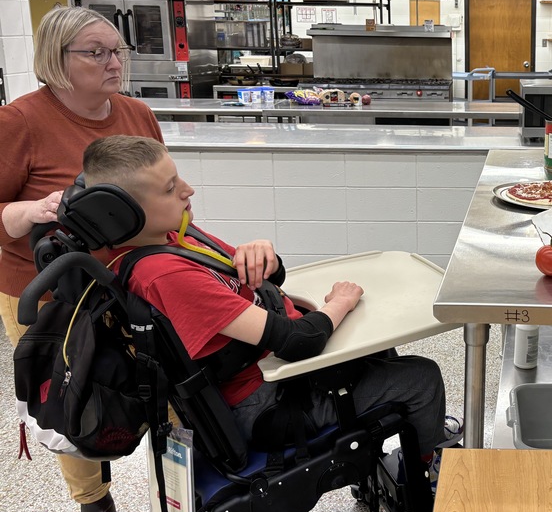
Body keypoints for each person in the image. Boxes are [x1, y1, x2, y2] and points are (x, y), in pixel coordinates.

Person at [81, 135, 451, 484]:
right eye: (169, 188)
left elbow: (264, 281)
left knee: (379, 349)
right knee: (422, 378)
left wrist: (264, 257)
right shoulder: (164, 275)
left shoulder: (175, 237)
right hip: (266, 402)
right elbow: (298, 342)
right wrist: (339, 302)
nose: (188, 190)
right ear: (123, 214)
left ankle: (410, 439)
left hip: (274, 370)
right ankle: (424, 471)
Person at [0, 6, 163, 512]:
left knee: (157, 379)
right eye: (97, 53)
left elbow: (162, 192)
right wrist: (30, 211)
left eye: (118, 50)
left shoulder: (137, 115)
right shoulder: (20, 121)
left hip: (125, 280)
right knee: (71, 393)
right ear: (57, 60)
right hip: (50, 291)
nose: (114, 62)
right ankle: (94, 503)